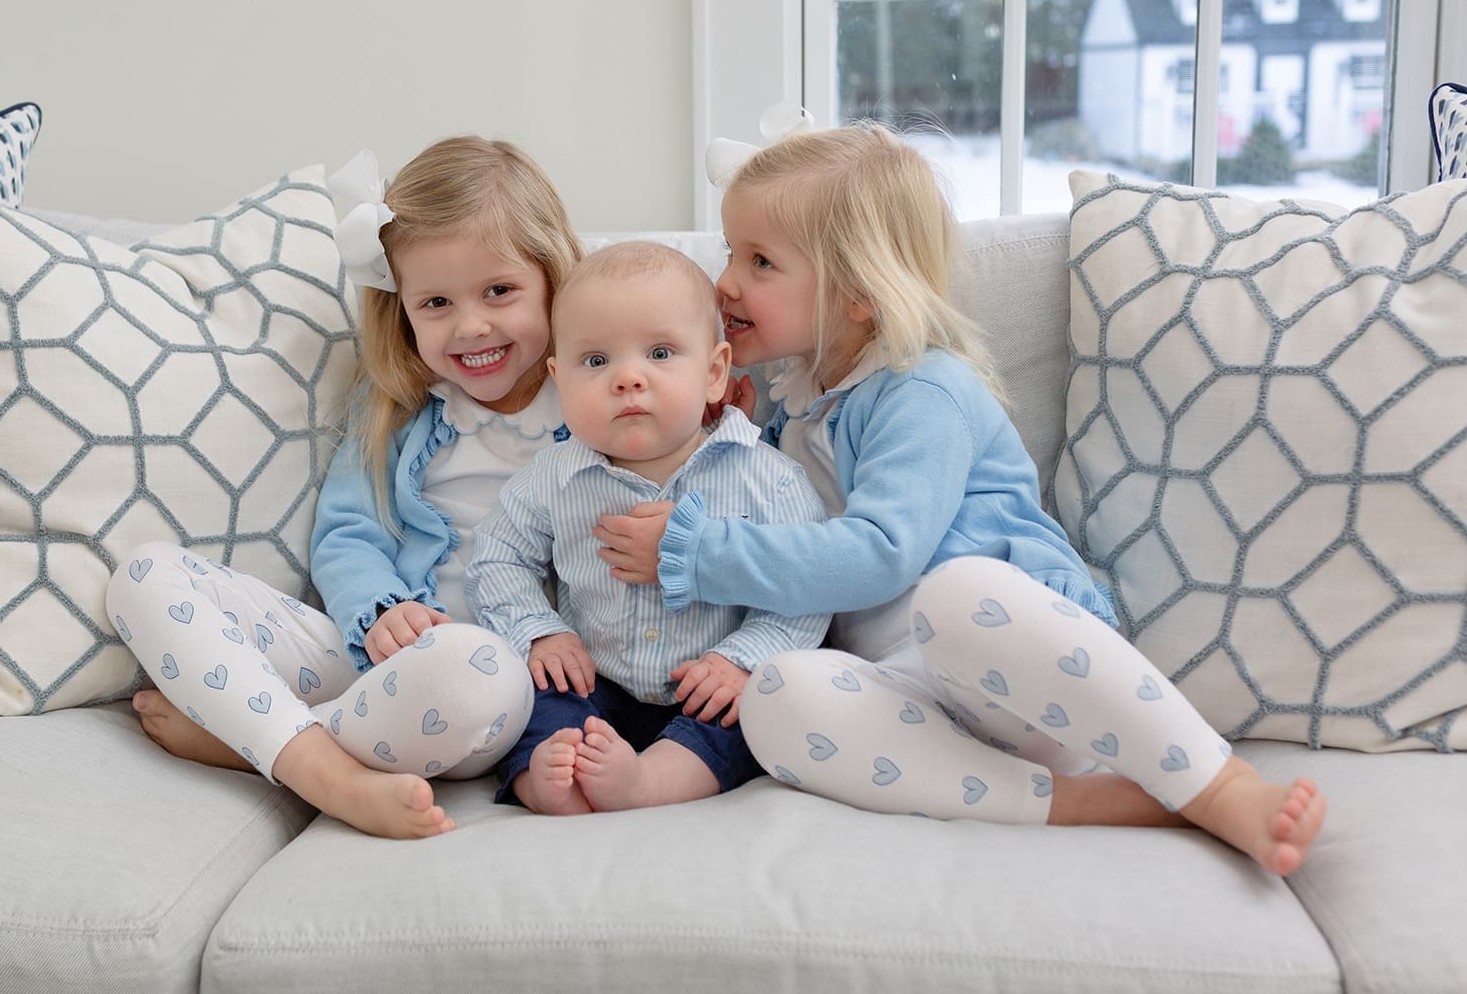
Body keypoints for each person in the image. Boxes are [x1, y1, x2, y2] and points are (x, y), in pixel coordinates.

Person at [596, 119, 1327, 875]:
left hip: (1019, 667)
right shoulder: (796, 407)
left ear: (858, 293)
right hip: (919, 696)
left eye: (760, 261)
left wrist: (695, 549)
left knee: (956, 594)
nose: (726, 282)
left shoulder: (923, 388)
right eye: (728, 252)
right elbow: (792, 544)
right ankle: (1075, 804)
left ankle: (1220, 785)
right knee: (777, 697)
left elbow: (883, 555)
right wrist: (730, 439)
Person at [105, 135, 584, 839]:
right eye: (436, 303)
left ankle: (254, 737)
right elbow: (349, 533)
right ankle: (324, 770)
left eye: (500, 291)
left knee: (472, 668)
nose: (471, 324)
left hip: (486, 683)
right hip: (367, 651)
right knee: (143, 574)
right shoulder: (398, 404)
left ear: (553, 278)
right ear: (403, 310)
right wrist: (380, 609)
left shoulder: (592, 403)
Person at [466, 242, 830, 815]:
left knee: (747, 716)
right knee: (536, 695)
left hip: (707, 682)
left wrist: (743, 659)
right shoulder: (553, 480)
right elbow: (497, 559)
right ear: (559, 380)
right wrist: (540, 632)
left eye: (660, 353)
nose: (628, 379)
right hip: (595, 676)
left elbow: (805, 583)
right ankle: (547, 779)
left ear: (714, 373)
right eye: (595, 362)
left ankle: (648, 782)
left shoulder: (767, 478)